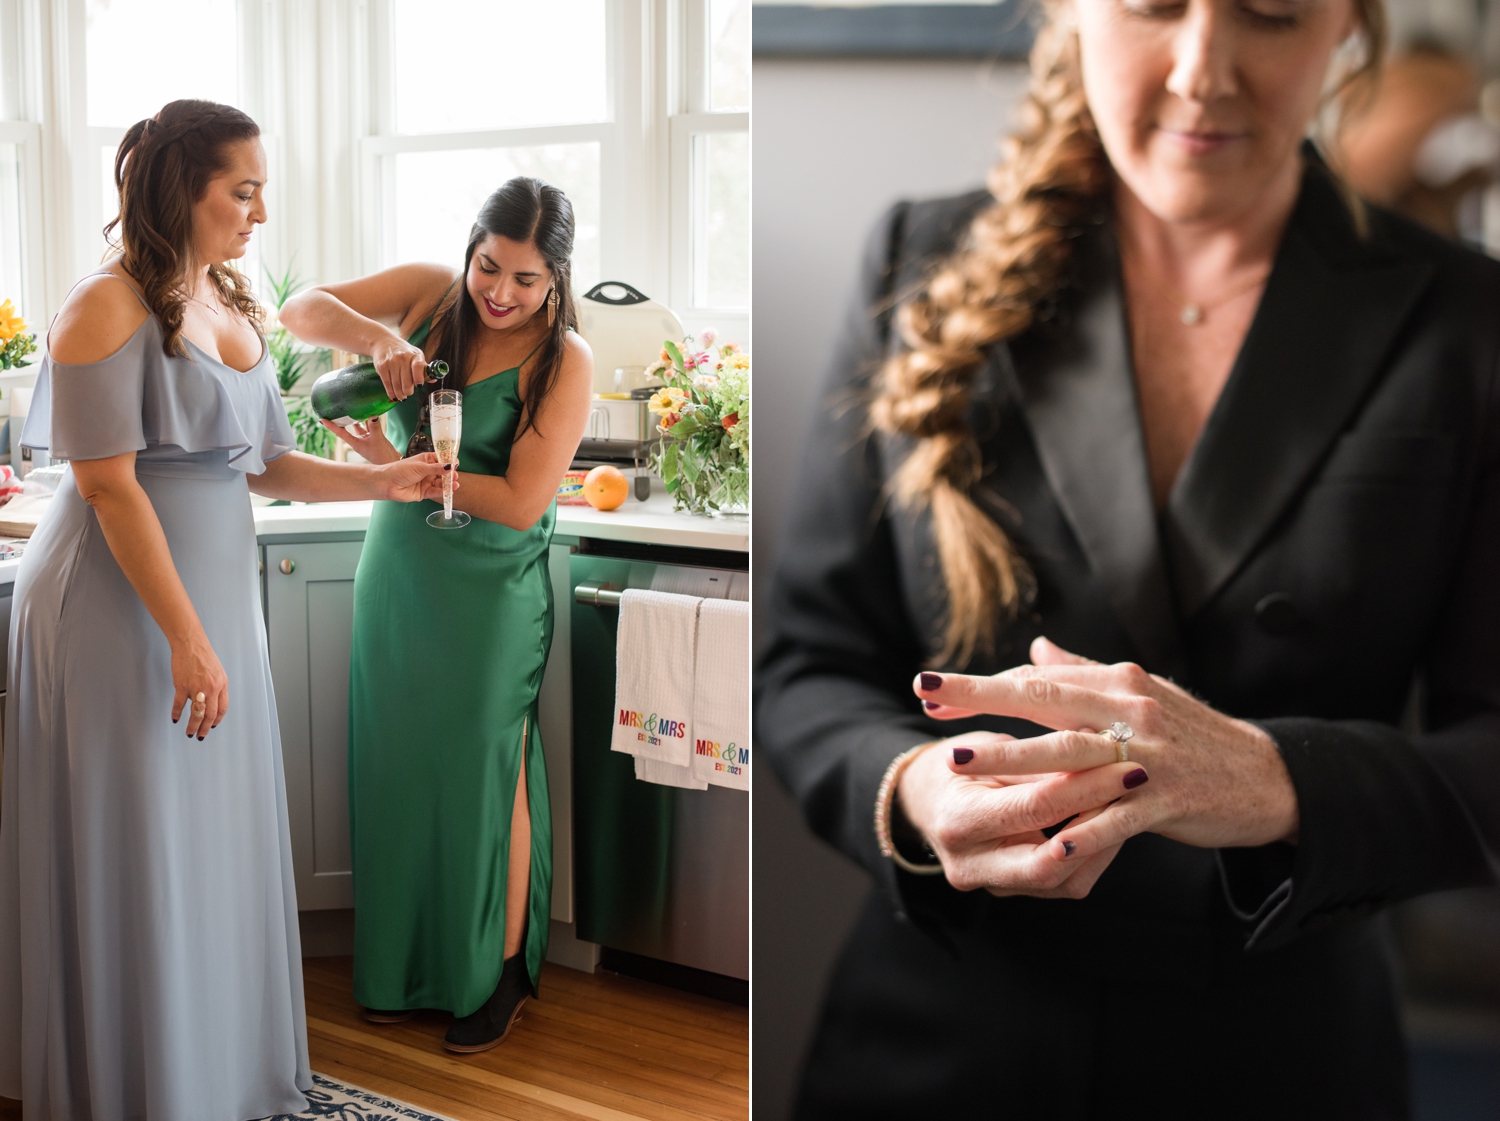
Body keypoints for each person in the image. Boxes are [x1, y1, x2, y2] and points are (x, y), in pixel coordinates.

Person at [755, 0, 1500, 1115]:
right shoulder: (916, 258)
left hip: (1287, 1057)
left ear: (1348, 21)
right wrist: (909, 787)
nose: (1204, 71)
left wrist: (1279, 780)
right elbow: (805, 660)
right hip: (939, 1042)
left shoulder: (1466, 319)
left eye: (1271, 12)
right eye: (1155, 5)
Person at [0, 100, 448, 1119]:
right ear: (178, 188)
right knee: (142, 841)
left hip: (207, 603)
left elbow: (266, 466)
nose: (256, 212)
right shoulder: (103, 307)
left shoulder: (228, 304)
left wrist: (387, 482)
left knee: (207, 841)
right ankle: (133, 1086)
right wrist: (187, 638)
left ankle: (206, 1074)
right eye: (239, 190)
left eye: (260, 191)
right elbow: (109, 485)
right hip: (119, 610)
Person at [279, 178, 593, 1053]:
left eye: (526, 279)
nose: (500, 292)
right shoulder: (429, 295)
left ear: (557, 280)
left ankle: (493, 975)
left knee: (486, 768)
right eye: (490, 265)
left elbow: (526, 500)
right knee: (397, 762)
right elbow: (302, 311)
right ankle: (396, 970)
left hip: (492, 591)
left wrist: (405, 470)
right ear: (471, 247)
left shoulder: (566, 359)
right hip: (404, 568)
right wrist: (378, 339)